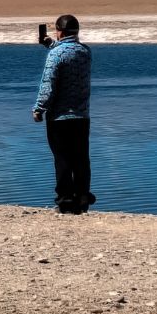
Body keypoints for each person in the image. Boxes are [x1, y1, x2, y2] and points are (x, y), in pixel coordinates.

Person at [32, 14, 94, 214]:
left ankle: (66, 200)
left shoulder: (56, 55)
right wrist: (51, 44)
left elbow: (48, 85)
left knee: (63, 158)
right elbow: (68, 52)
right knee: (81, 158)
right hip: (82, 117)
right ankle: (82, 196)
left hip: (60, 118)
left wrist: (39, 108)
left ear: (60, 31)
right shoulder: (85, 52)